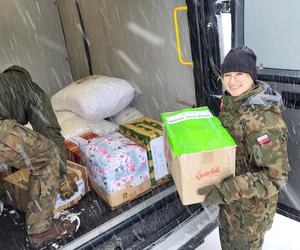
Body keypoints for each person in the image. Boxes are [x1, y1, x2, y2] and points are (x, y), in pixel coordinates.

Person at [198, 47, 290, 250]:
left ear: (252, 76)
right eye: (227, 75)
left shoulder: (264, 120)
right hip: (231, 208)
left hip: (250, 216)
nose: (232, 81)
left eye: (240, 74)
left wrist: (224, 190)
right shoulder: (233, 105)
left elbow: (275, 178)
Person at [0, 65, 79, 249]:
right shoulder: (31, 89)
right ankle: (41, 231)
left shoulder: (6, 85)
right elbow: (50, 132)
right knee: (47, 155)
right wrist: (61, 174)